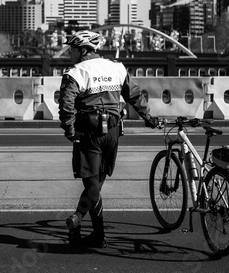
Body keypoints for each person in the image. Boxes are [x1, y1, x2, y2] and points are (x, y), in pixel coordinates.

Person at [58, 30, 157, 248]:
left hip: (89, 132)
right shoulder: (117, 67)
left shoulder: (76, 72)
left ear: (82, 50)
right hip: (113, 131)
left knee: (91, 182)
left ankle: (94, 232)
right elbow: (134, 96)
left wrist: (70, 130)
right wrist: (148, 118)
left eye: (72, 50)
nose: (70, 54)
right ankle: (79, 222)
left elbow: (66, 104)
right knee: (98, 182)